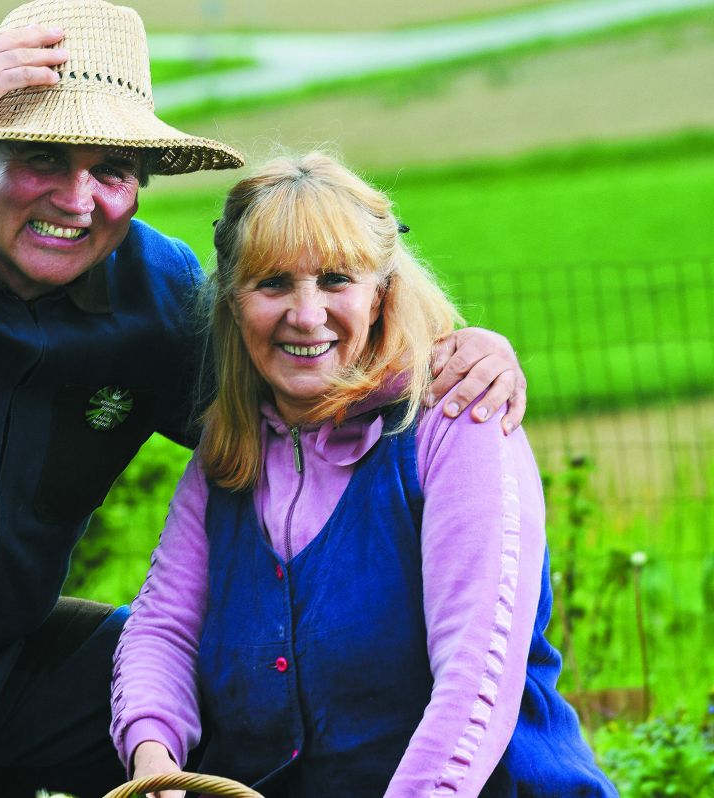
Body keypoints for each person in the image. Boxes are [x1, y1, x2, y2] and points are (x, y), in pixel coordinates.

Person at [0, 1, 527, 795]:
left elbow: (298, 386)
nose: (77, 200)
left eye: (112, 170)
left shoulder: (153, 296)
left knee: (216, 682)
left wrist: (451, 354)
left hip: (4, 679)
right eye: (42, 158)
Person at [110, 150, 615, 797]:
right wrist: (155, 760)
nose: (306, 314)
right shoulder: (229, 450)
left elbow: (475, 678)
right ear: (234, 304)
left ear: (380, 295)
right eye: (273, 284)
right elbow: (163, 630)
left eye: (335, 280)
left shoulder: (455, 421)